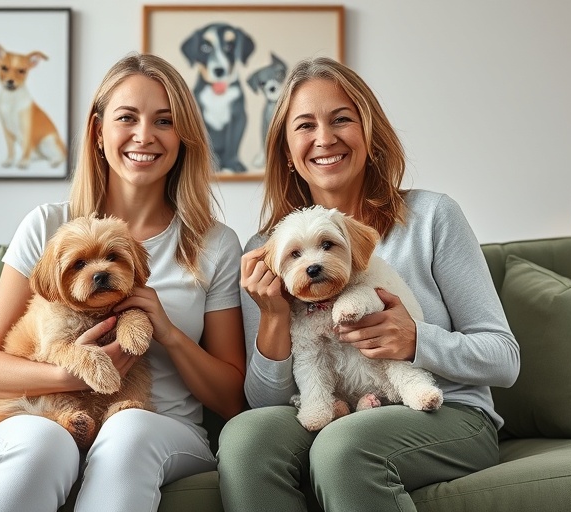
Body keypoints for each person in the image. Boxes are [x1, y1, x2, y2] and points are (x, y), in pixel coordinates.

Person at [217, 57, 520, 512]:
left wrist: (416, 340)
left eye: (342, 119)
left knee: (343, 449)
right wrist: (274, 316)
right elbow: (265, 401)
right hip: (336, 408)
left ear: (370, 132)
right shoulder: (267, 250)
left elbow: (505, 359)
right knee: (244, 442)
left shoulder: (433, 217)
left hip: (447, 412)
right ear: (286, 151)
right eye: (305, 126)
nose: (324, 138)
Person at [0, 53, 246, 512]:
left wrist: (169, 334)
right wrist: (73, 374)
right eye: (127, 118)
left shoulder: (213, 244)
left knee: (128, 431)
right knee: (42, 443)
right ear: (99, 131)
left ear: (184, 137)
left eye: (164, 120)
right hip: (39, 411)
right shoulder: (46, 226)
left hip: (159, 425)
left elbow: (232, 398)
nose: (144, 135)